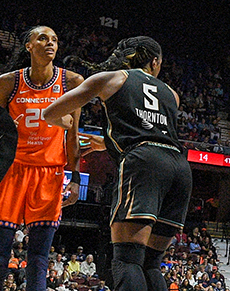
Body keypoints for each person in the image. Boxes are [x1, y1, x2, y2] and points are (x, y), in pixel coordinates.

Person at [44, 36, 192, 291]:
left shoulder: (111, 78)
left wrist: (67, 125)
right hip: (180, 167)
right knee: (151, 264)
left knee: (127, 260)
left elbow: (50, 112)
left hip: (144, 164)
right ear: (155, 61)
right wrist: (107, 143)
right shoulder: (172, 95)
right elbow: (151, 131)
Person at [0, 26, 84, 291]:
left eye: (55, 40)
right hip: (12, 170)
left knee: (38, 256)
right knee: (1, 252)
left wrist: (75, 179)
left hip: (50, 173)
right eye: (43, 38)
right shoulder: (8, 82)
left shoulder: (71, 82)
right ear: (28, 46)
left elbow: (73, 137)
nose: (51, 43)